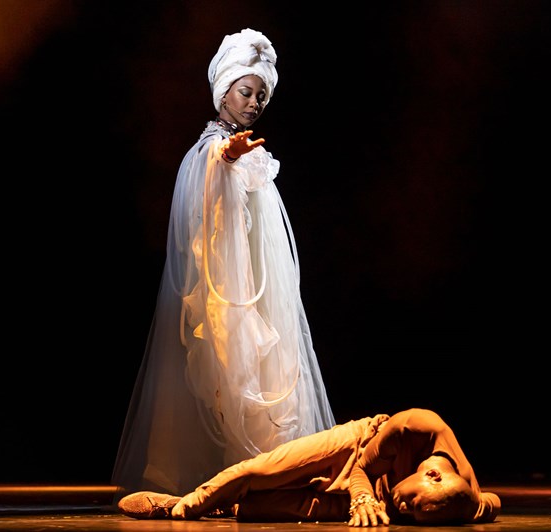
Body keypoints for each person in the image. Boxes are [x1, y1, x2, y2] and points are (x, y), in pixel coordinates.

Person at [112, 28, 336, 499]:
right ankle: (224, 471)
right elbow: (202, 211)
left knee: (259, 368)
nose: (254, 103)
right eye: (245, 92)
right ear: (224, 91)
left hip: (252, 286)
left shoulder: (246, 149)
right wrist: (225, 161)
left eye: (261, 95)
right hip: (225, 291)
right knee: (221, 367)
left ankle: (262, 472)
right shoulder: (210, 151)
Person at [117, 408, 501, 526]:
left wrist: (379, 505)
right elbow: (360, 470)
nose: (407, 510)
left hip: (374, 498)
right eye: (414, 503)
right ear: (432, 473)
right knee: (261, 473)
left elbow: (491, 502)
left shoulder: (465, 496)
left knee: (273, 509)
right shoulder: (415, 426)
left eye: (414, 516)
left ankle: (224, 506)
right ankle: (189, 503)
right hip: (356, 450)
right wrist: (362, 496)